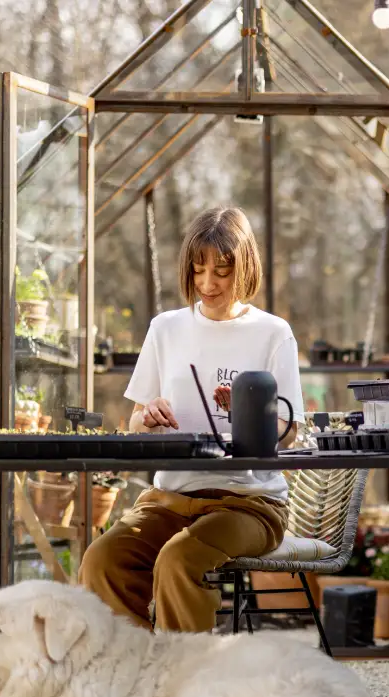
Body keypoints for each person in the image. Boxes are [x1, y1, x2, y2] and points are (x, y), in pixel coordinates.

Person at [79, 207, 303, 632]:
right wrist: (149, 416)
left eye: (221, 271)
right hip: (171, 498)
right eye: (198, 270)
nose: (207, 283)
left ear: (245, 267)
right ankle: (141, 666)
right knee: (102, 560)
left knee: (180, 559)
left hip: (249, 504)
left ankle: (186, 679)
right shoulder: (166, 328)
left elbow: (288, 434)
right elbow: (133, 422)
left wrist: (249, 417)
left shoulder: (273, 333)